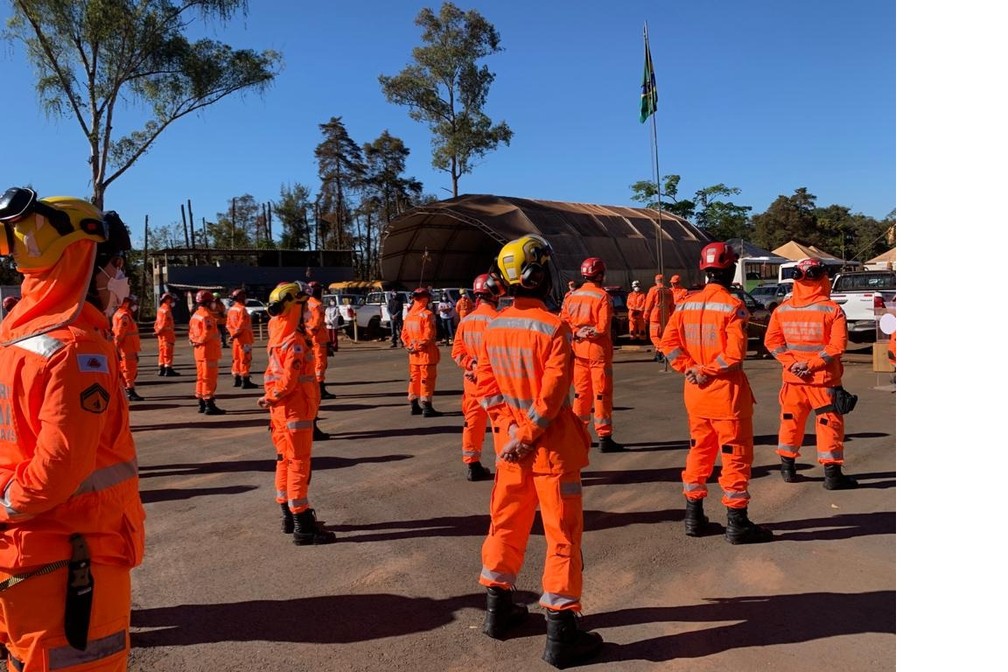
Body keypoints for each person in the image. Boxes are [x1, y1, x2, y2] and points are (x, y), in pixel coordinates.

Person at [0, 188, 145, 670]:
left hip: (29, 562)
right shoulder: (76, 351)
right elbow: (59, 465)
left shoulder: (16, 339)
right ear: (86, 259)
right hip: (73, 563)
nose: (118, 277)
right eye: (115, 264)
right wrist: (10, 502)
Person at [474, 234, 603, 669]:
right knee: (562, 536)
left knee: (505, 524)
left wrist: (509, 431)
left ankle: (498, 610)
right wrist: (527, 432)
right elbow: (551, 398)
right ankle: (561, 633)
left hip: (510, 449)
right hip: (548, 450)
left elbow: (486, 390)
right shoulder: (554, 327)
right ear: (535, 275)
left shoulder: (494, 326)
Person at [658, 242, 773, 545]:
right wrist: (706, 369)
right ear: (731, 269)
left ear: (704, 270)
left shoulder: (684, 304)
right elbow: (734, 356)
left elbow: (667, 344)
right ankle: (737, 523)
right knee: (734, 458)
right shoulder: (733, 306)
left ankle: (693, 517)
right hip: (726, 399)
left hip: (696, 395)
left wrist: (689, 368)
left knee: (699, 453)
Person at [764, 257, 858, 490]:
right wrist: (811, 365)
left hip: (793, 380)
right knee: (828, 425)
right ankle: (832, 475)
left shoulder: (782, 310)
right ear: (822, 278)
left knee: (790, 422)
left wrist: (791, 363)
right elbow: (837, 347)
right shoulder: (832, 310)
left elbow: (772, 342)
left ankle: (787, 468)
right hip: (823, 381)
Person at [258, 281, 336, 546]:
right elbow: (288, 382)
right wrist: (272, 396)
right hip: (295, 413)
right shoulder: (294, 342)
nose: (307, 312)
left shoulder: (277, 336)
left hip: (281, 414)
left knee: (284, 461)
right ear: (294, 308)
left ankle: (289, 517)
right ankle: (303, 524)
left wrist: (271, 399)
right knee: (299, 465)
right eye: (303, 307)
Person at [560, 257, 623, 452]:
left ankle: (578, 434)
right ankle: (604, 437)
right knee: (601, 395)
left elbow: (563, 322)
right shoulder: (602, 297)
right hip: (598, 353)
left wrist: (578, 333)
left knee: (581, 395)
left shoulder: (571, 296)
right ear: (601, 275)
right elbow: (603, 327)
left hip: (579, 352)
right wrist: (591, 332)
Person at [451, 274, 503, 481]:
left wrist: (471, 365)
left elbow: (457, 352)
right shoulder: (497, 320)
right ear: (494, 294)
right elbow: (500, 356)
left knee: (472, 421)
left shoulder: (466, 321)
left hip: (471, 381)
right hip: (492, 382)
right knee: (499, 422)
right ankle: (505, 464)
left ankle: (472, 464)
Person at [402, 286, 442, 417]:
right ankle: (427, 406)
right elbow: (428, 336)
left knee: (414, 379)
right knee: (427, 380)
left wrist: (410, 347)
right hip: (426, 355)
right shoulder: (428, 315)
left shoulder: (409, 315)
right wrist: (418, 346)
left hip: (413, 355)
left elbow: (404, 335)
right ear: (425, 299)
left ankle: (414, 405)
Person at [189, 289, 226, 415]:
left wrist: (194, 341)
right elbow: (207, 334)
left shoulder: (195, 315)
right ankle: (209, 404)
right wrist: (199, 341)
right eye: (212, 302)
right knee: (209, 378)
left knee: (201, 378)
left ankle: (201, 402)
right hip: (208, 352)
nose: (214, 304)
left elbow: (191, 333)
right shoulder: (206, 316)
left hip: (199, 352)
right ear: (208, 302)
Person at [305, 281, 335, 401]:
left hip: (311, 338)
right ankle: (320, 388)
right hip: (318, 340)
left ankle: (316, 387)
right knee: (320, 364)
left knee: (313, 364)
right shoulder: (317, 305)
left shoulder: (307, 303)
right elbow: (317, 324)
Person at [112, 294, 144, 402]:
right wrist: (116, 347)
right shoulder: (124, 316)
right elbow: (120, 334)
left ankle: (128, 389)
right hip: (127, 349)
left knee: (128, 370)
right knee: (129, 370)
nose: (134, 306)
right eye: (132, 303)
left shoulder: (122, 314)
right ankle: (129, 390)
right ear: (127, 303)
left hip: (128, 348)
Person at [226, 288, 257, 389]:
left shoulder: (231, 309)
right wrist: (235, 334)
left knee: (236, 359)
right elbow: (241, 325)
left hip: (236, 340)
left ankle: (237, 379)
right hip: (244, 339)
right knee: (245, 359)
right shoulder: (242, 310)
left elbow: (228, 325)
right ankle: (245, 380)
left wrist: (232, 335)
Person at [643, 273, 673, 361]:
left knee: (654, 336)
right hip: (666, 317)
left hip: (655, 316)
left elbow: (648, 305)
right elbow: (672, 306)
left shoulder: (653, 290)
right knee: (662, 336)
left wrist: (645, 316)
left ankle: (662, 350)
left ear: (656, 281)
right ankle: (658, 355)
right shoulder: (669, 291)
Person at [154, 292, 181, 377]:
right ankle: (168, 369)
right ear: (168, 299)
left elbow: (157, 323)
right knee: (168, 352)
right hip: (167, 334)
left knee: (162, 352)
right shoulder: (167, 310)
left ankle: (161, 368)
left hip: (161, 335)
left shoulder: (160, 309)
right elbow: (164, 323)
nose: (173, 302)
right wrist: (160, 330)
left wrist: (157, 331)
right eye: (172, 300)